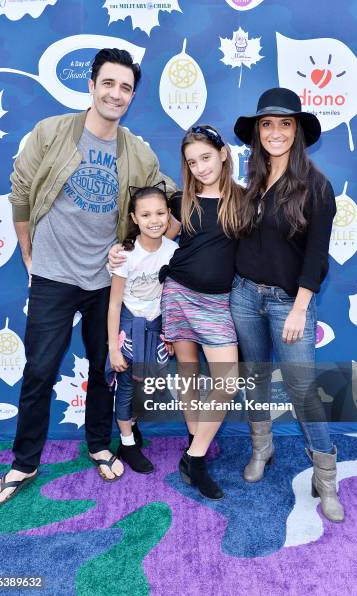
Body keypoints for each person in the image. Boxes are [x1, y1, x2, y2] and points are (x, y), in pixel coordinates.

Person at [0, 48, 176, 505]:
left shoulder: (137, 151)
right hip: (53, 275)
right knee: (38, 370)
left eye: (125, 87)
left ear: (132, 96)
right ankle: (24, 463)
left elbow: (162, 202)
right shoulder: (51, 133)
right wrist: (30, 254)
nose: (116, 94)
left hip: (105, 282)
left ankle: (97, 444)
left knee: (105, 368)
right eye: (108, 83)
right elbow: (20, 192)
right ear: (91, 85)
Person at [110, 125, 243, 500]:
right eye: (191, 162)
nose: (200, 167)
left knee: (226, 381)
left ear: (223, 154)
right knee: (188, 373)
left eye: (205, 157)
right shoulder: (183, 203)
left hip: (217, 303)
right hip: (179, 295)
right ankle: (193, 439)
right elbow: (147, 238)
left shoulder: (244, 201)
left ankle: (194, 456)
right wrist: (118, 252)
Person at [231, 87, 344, 522]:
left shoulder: (317, 186)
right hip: (243, 297)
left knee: (302, 390)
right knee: (255, 377)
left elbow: (316, 256)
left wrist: (298, 309)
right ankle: (263, 447)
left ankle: (326, 478)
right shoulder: (253, 180)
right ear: (257, 132)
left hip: (287, 304)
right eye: (267, 124)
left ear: (296, 131)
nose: (275, 132)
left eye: (284, 123)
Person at [105, 184, 178, 474]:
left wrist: (170, 334)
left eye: (160, 213)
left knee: (148, 387)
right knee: (125, 387)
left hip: (157, 327)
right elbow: (113, 305)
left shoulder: (174, 251)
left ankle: (132, 427)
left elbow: (173, 297)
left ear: (169, 215)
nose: (154, 220)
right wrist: (113, 346)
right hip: (128, 326)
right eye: (145, 214)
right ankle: (126, 443)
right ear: (134, 218)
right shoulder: (125, 255)